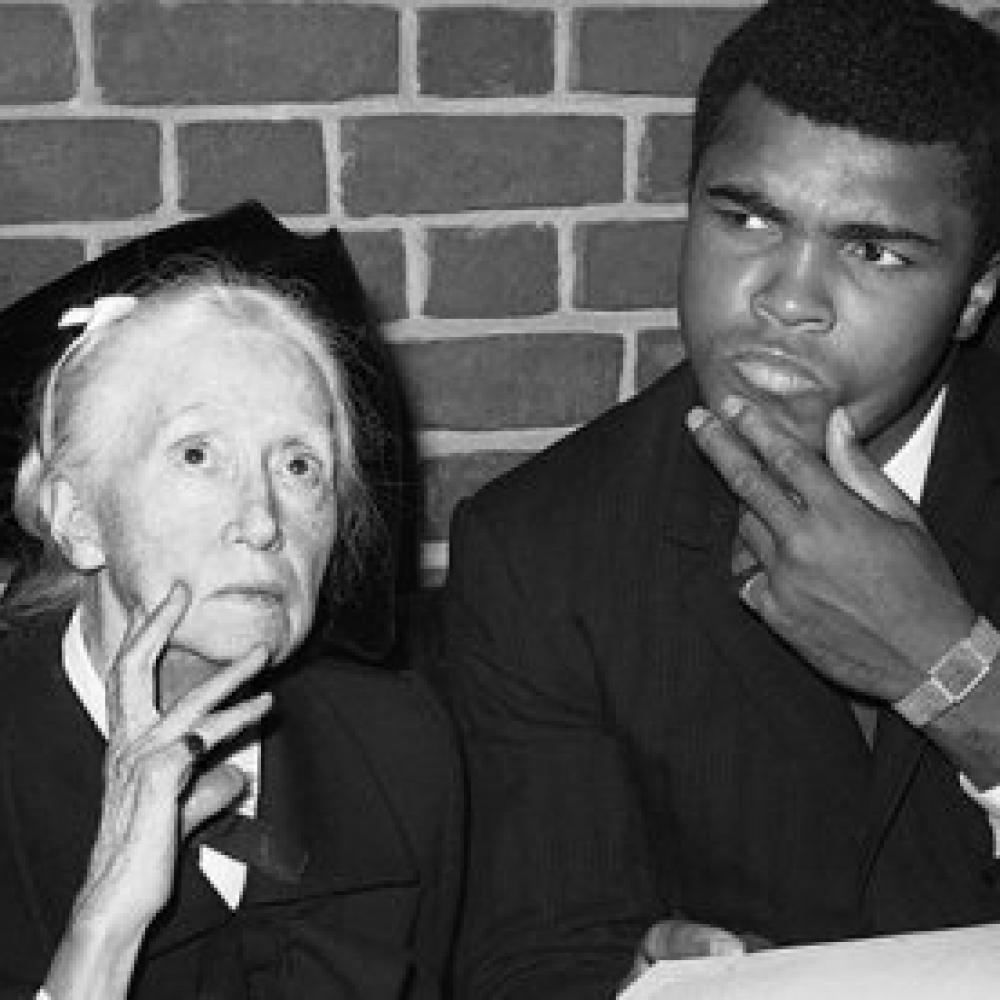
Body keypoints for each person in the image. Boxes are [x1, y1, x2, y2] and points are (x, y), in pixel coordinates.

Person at [441, 0, 1000, 995]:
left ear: (974, 293)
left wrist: (950, 672)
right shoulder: (543, 551)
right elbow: (535, 955)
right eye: (745, 217)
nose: (787, 299)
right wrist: (627, 975)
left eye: (873, 250)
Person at [0, 265, 462, 998]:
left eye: (300, 466)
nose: (262, 520)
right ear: (79, 519)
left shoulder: (398, 748)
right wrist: (106, 927)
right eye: (197, 455)